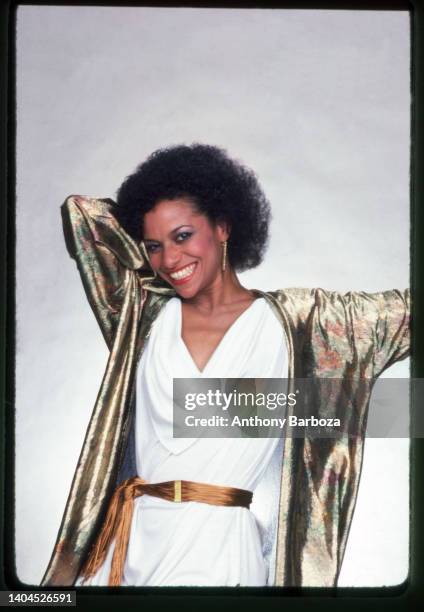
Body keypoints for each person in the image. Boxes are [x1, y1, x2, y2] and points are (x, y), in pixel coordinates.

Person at [40, 144, 410, 588]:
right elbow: (84, 216)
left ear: (222, 226)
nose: (169, 261)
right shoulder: (142, 314)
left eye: (182, 236)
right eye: (153, 246)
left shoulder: (299, 322)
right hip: (130, 544)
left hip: (221, 548)